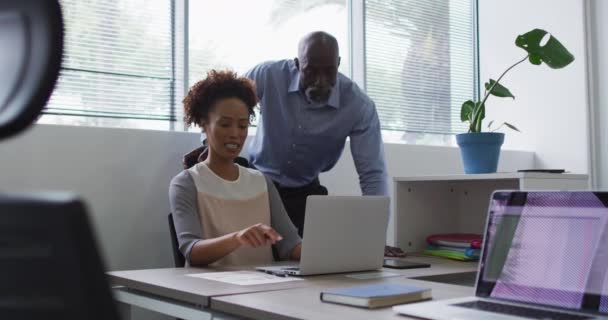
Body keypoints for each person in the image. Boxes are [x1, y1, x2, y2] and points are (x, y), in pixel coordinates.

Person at [185, 31, 405, 257]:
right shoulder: (267, 75)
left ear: (338, 64)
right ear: (297, 64)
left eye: (328, 71)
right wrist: (208, 145)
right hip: (256, 185)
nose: (320, 81)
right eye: (311, 71)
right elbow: (224, 104)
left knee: (311, 265)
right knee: (246, 257)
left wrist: (375, 238)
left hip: (305, 192)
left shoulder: (358, 105)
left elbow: (373, 175)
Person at [169, 70, 302, 267]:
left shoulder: (261, 181)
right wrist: (237, 238)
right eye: (225, 124)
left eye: (242, 126)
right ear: (204, 125)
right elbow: (192, 251)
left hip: (263, 291)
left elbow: (290, 245)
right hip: (210, 291)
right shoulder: (186, 183)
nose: (235, 134)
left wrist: (333, 252)